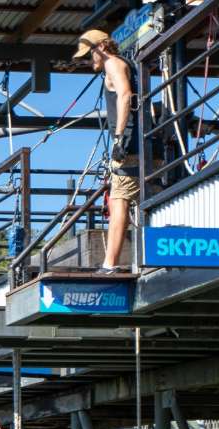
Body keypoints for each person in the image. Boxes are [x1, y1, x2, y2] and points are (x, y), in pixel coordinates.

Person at [74, 29, 139, 274]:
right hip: (139, 143)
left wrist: (119, 139)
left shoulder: (113, 64)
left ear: (101, 46)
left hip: (129, 144)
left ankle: (110, 264)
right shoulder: (125, 64)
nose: (91, 59)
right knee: (142, 198)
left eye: (91, 52)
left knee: (118, 201)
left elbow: (124, 95)